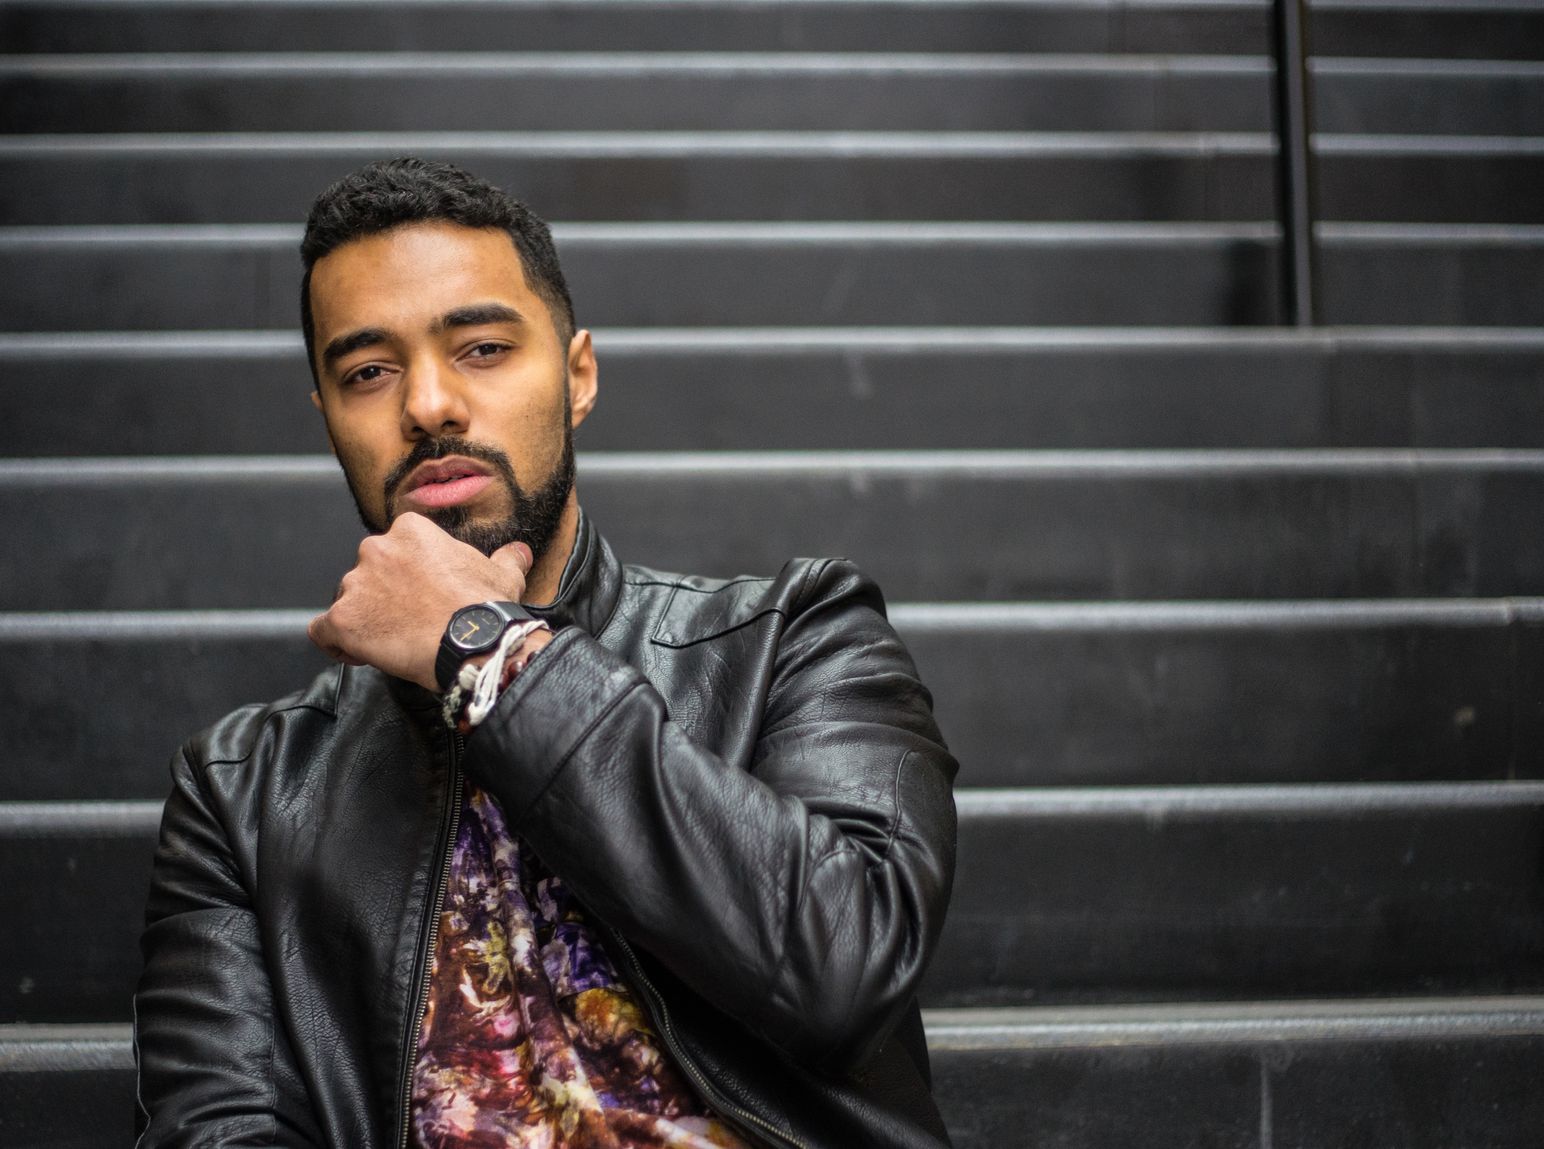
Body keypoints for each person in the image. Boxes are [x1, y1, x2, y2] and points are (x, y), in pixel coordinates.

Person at [133, 157, 959, 1149]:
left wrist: (485, 650)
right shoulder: (242, 793)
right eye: (368, 372)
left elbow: (847, 963)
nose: (428, 404)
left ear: (578, 377)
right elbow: (218, 1128)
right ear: (329, 417)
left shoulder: (794, 636)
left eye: (481, 348)